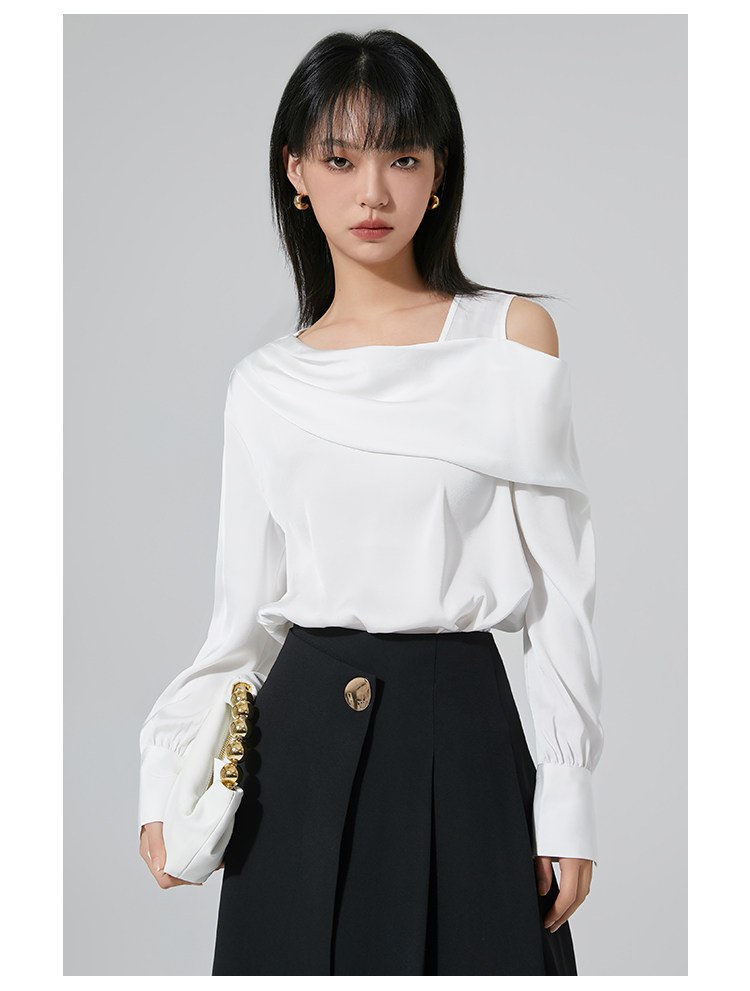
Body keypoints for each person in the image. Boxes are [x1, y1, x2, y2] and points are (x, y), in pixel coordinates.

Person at [138, 28, 604, 977]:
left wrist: (566, 794)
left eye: (403, 158)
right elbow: (241, 620)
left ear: (440, 173)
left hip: (464, 738)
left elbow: (562, 594)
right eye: (341, 160)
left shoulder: (512, 340)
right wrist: (166, 767)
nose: (374, 194)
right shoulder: (264, 385)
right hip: (298, 759)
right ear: (296, 172)